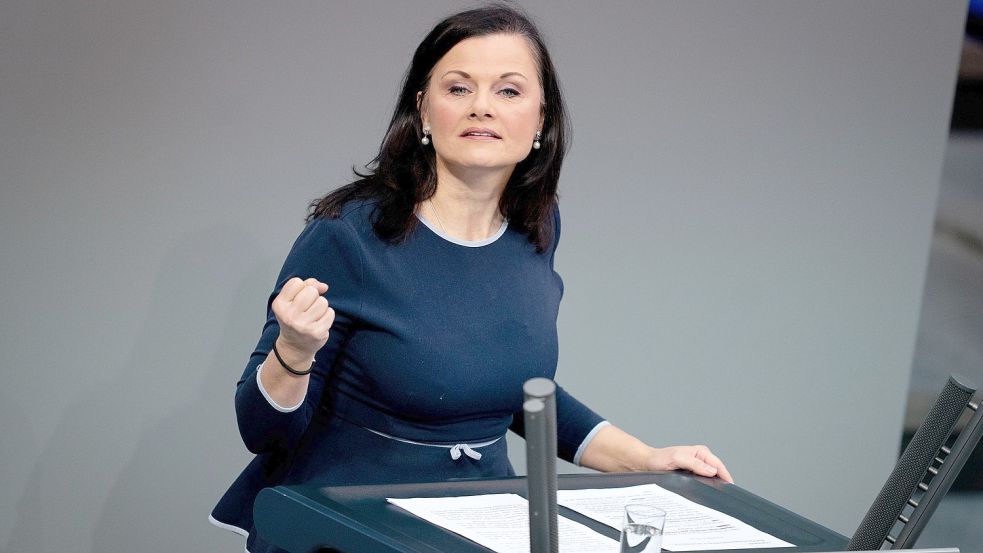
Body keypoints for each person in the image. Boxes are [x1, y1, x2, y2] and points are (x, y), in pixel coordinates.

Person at [210, 5, 732, 552]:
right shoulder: (347, 236)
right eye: (458, 88)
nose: (482, 107)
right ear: (424, 112)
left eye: (508, 91)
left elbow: (518, 392)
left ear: (540, 119)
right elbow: (262, 433)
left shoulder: (537, 229)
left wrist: (645, 459)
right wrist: (294, 350)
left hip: (477, 525)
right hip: (348, 528)